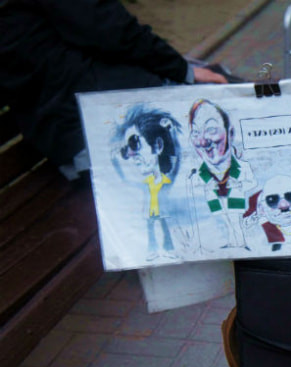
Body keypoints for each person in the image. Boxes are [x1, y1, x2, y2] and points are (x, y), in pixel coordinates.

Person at [0, 0, 227, 180]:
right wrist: (183, 70)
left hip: (68, 134)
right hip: (100, 127)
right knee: (223, 99)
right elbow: (110, 29)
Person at [187, 99, 257, 249]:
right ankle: (231, 243)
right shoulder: (200, 173)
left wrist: (239, 185)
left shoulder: (242, 167)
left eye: (211, 129)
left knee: (235, 221)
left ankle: (241, 243)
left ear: (230, 133)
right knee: (225, 221)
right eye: (196, 132)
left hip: (234, 199)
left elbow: (252, 183)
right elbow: (196, 190)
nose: (203, 141)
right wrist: (204, 187)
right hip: (216, 201)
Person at [115, 105, 182, 260]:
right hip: (149, 209)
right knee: (150, 227)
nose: (131, 154)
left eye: (135, 143)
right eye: (127, 148)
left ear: (158, 146)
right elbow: (125, 179)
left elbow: (176, 155)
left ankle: (169, 247)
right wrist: (116, 162)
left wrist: (171, 133)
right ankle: (152, 249)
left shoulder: (166, 176)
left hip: (160, 208)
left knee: (164, 226)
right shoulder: (144, 178)